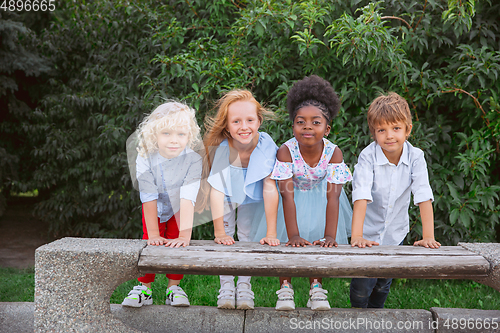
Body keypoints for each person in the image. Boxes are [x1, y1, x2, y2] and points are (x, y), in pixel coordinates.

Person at [350, 92, 441, 308]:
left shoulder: (416, 157)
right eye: (382, 130)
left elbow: (423, 195)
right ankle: (355, 315)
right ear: (374, 133)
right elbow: (361, 195)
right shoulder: (367, 156)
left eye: (396, 128)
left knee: (383, 283)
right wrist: (357, 236)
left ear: (408, 130)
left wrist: (428, 236)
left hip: (395, 232)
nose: (389, 135)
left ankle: (377, 316)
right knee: (363, 286)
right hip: (368, 232)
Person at [269, 75, 353, 311]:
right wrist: (294, 234)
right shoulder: (285, 151)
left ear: (327, 129)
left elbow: (333, 196)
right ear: (293, 125)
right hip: (290, 198)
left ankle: (316, 287)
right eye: (300, 121)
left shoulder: (334, 153)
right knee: (288, 241)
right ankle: (285, 286)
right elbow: (286, 195)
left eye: (315, 122)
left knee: (318, 238)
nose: (307, 126)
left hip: (321, 197)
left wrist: (330, 235)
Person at [199, 90, 279, 310]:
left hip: (253, 197)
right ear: (226, 126)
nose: (244, 127)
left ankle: (244, 285)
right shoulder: (225, 149)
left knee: (246, 236)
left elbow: (270, 187)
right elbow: (216, 191)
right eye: (236, 121)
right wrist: (219, 232)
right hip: (225, 196)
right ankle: (226, 286)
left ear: (259, 121)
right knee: (226, 239)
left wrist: (271, 232)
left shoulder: (266, 145)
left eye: (250, 120)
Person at [122, 101, 202, 308]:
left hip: (179, 209)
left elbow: (188, 197)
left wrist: (185, 235)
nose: (174, 140)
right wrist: (155, 234)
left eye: (180, 134)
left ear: (189, 136)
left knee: (178, 243)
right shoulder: (145, 156)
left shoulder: (193, 159)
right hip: (154, 208)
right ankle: (144, 288)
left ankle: (173, 288)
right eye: (166, 133)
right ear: (154, 134)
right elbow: (149, 196)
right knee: (151, 242)